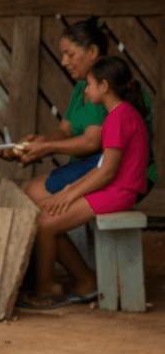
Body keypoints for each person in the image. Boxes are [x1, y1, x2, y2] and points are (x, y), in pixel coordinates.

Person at [18, 57, 150, 309]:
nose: (85, 90)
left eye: (89, 84)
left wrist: (68, 196)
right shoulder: (120, 114)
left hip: (121, 192)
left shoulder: (117, 118)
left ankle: (48, 289)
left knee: (46, 222)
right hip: (115, 188)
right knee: (47, 215)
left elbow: (107, 172)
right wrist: (69, 190)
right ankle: (84, 281)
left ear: (104, 86)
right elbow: (103, 169)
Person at [0, 17, 156, 205]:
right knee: (28, 189)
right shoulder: (83, 88)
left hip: (120, 172)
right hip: (95, 166)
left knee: (33, 193)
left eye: (70, 55)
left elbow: (92, 142)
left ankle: (58, 233)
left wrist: (46, 148)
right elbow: (65, 131)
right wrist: (35, 144)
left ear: (92, 52)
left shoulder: (107, 91)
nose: (64, 62)